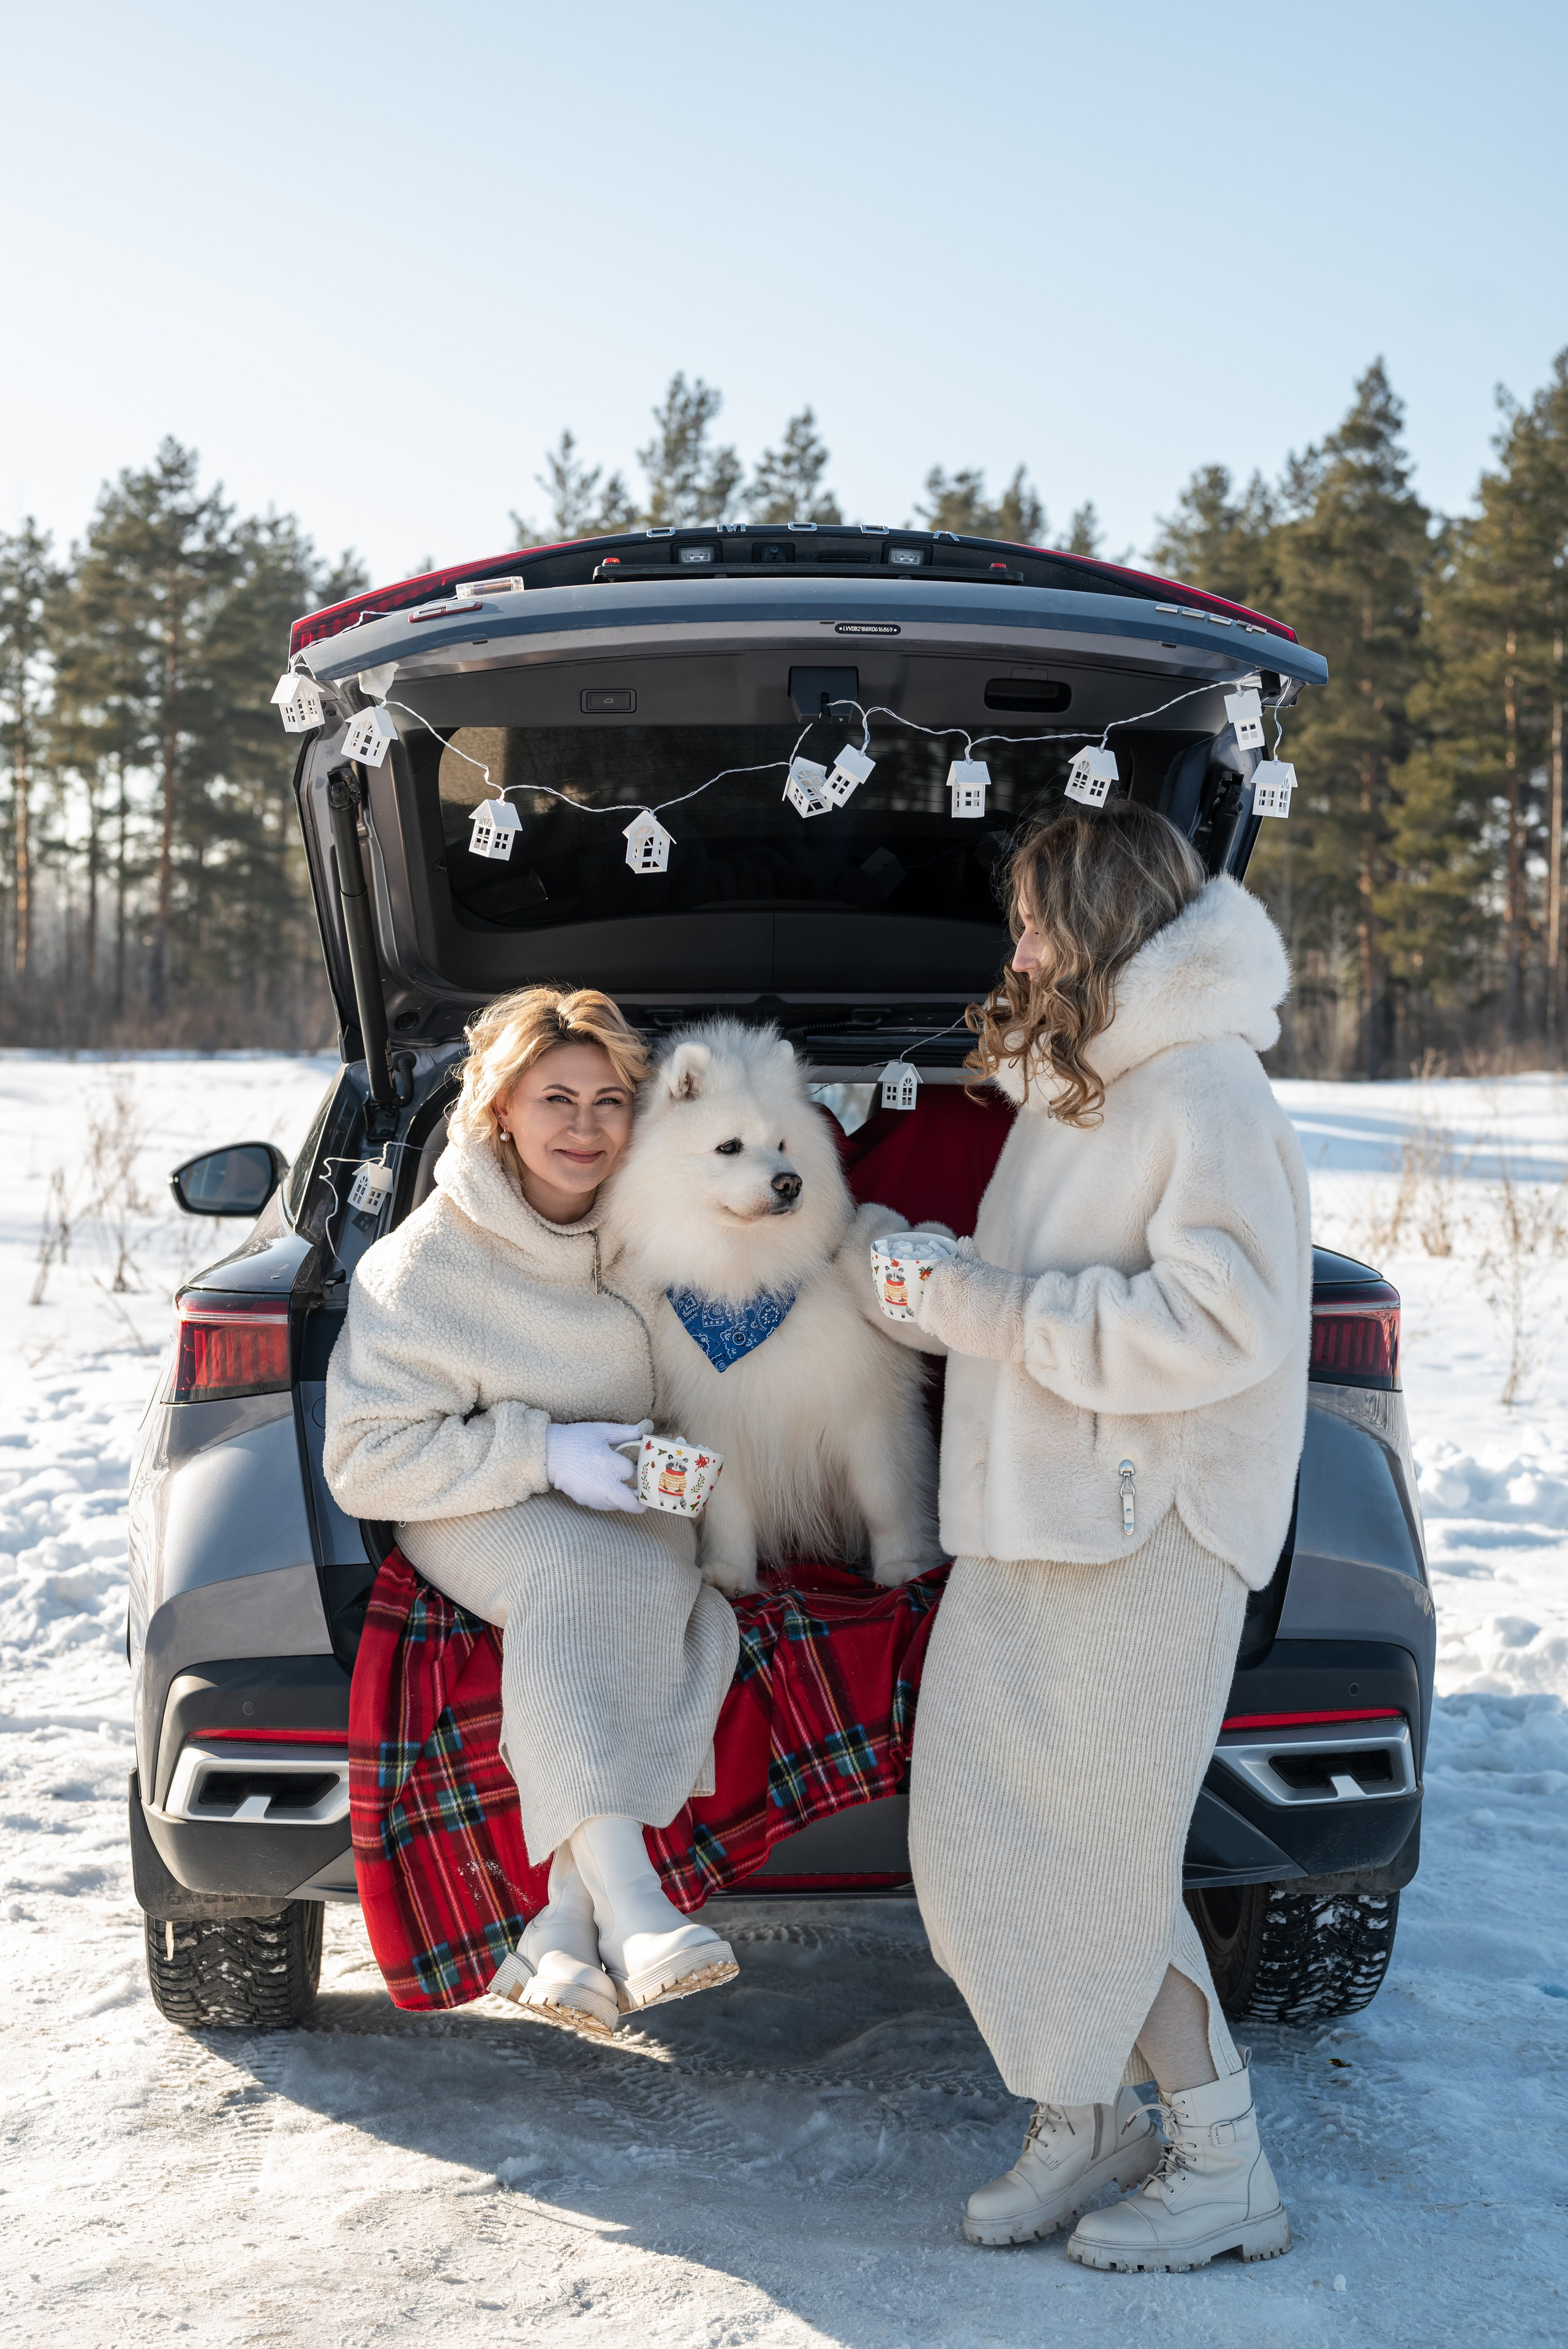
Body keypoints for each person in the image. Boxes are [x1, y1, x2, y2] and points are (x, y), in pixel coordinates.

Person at [894, 802, 1311, 2271]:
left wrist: (973, 1307)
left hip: (1144, 1538)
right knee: (981, 1840)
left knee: (1100, 1868)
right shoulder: (1087, 1089)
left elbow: (1221, 1323)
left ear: (1100, 922)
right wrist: (945, 1274)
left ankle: (1219, 2168)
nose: (1014, 948)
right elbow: (1049, 1292)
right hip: (1036, 1527)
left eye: (1032, 919)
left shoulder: (1201, 1087)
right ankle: (1083, 2121)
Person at [323, 986, 739, 2040]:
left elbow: (737, 1358)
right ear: (498, 1104)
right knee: (574, 1576)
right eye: (557, 1098)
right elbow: (366, 1464)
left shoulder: (661, 1233)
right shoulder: (424, 1264)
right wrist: (541, 1452)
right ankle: (637, 1908)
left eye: (610, 1101)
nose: (587, 1129)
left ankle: (558, 1924)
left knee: (648, 1579)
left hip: (636, 1499)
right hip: (470, 1504)